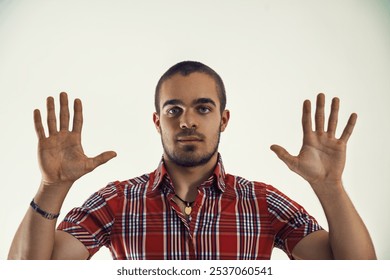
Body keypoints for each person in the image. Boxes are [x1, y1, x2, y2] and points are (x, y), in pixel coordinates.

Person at [8, 61, 376, 260]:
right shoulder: (117, 201)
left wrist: (331, 188)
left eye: (203, 108)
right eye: (173, 110)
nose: (187, 120)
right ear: (158, 122)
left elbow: (355, 271)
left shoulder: (262, 202)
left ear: (224, 119)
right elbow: (32, 272)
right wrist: (51, 188)